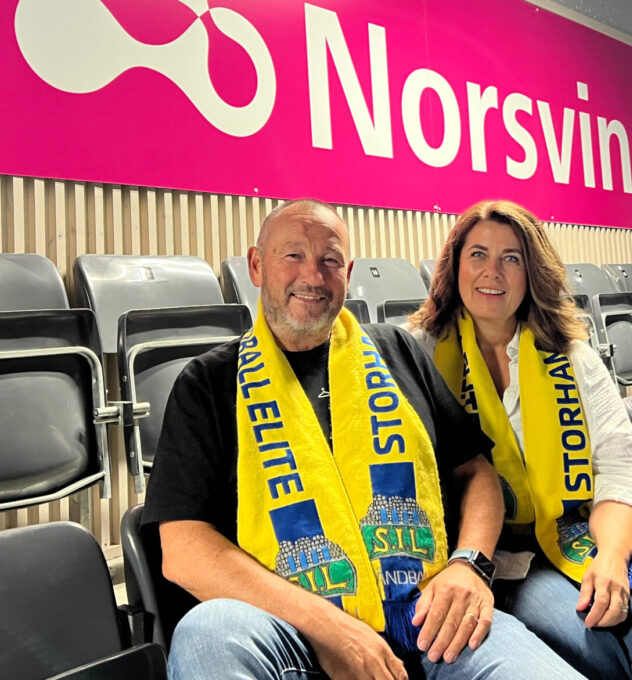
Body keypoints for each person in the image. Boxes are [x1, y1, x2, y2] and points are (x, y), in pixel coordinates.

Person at [143, 198, 586, 680]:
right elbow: (184, 550)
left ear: (348, 273)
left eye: (330, 260)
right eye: (293, 255)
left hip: (433, 614)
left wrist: (469, 565)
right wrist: (328, 627)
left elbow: (477, 472)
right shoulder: (208, 383)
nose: (313, 275)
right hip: (293, 631)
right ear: (256, 265)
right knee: (206, 630)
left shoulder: (395, 349)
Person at [407, 199, 632, 679]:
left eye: (511, 258)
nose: (493, 271)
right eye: (478, 254)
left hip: (580, 533)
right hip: (493, 557)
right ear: (455, 265)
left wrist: (613, 557)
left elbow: (621, 469)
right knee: (591, 640)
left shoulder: (572, 356)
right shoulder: (418, 354)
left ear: (531, 271)